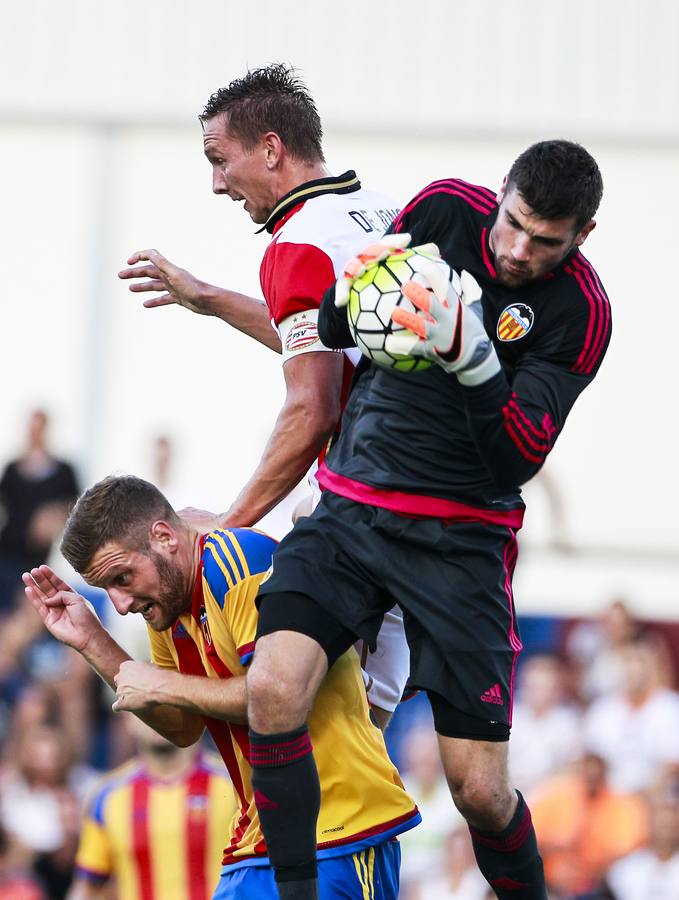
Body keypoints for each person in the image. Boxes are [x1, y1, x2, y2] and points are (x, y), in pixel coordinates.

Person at [245, 140, 612, 899]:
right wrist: (352, 296)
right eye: (512, 224)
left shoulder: (581, 311)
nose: (517, 251)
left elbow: (516, 457)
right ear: (500, 190)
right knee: (273, 690)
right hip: (352, 508)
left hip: (462, 540)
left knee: (477, 789)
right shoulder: (443, 207)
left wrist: (467, 351)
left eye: (546, 241)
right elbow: (342, 328)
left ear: (583, 235)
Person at [118, 64, 408, 726]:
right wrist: (213, 300)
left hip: (372, 493)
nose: (216, 183)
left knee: (287, 694)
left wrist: (230, 524)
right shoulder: (384, 213)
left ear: (271, 149)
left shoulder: (298, 241)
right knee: (394, 735)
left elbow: (313, 409)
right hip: (442, 493)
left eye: (220, 161)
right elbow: (334, 343)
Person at [22, 475, 420, 899]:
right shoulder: (168, 605)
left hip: (341, 828)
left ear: (163, 537)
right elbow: (183, 727)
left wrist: (163, 683)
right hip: (254, 842)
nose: (120, 604)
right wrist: (93, 642)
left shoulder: (236, 560)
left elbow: (280, 697)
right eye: (107, 589)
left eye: (122, 578)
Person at [67, 715, 235, 900]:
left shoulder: (235, 785)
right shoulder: (106, 797)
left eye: (166, 703)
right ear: (127, 718)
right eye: (146, 707)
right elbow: (88, 888)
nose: (157, 714)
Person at [0, 409, 78, 612]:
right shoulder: (13, 468)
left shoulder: (63, 471)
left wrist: (55, 514)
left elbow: (78, 506)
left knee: (29, 608)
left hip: (37, 559)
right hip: (6, 552)